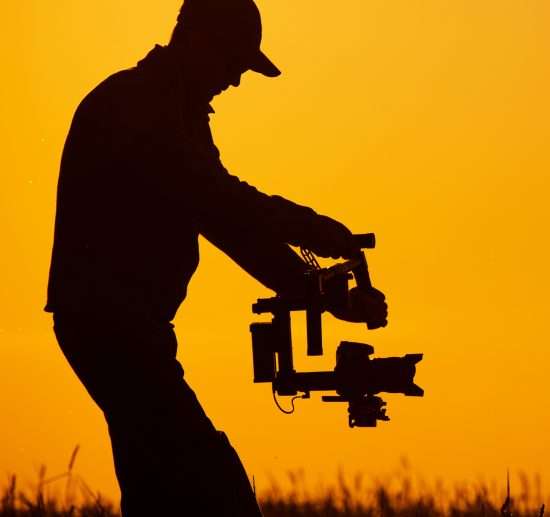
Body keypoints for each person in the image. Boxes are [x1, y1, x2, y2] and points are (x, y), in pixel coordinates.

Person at [44, 0, 386, 514]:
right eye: (233, 63)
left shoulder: (172, 111)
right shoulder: (139, 107)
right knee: (213, 486)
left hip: (128, 330)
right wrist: (308, 227)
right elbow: (218, 202)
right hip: (111, 328)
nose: (236, 80)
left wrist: (321, 293)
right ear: (199, 43)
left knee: (159, 487)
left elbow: (228, 225)